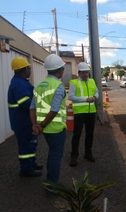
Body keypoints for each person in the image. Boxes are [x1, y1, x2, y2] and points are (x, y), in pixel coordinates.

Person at [30, 54, 66, 185]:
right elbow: (55, 109)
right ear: (60, 69)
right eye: (63, 68)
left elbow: (32, 108)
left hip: (43, 128)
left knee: (52, 153)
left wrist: (35, 125)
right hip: (55, 128)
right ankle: (52, 184)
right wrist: (42, 126)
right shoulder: (58, 85)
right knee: (55, 155)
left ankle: (50, 181)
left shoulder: (38, 86)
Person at [7, 57, 43, 177]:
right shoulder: (19, 84)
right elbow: (26, 104)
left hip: (23, 121)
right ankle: (26, 169)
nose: (30, 70)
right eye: (28, 68)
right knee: (26, 145)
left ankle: (31, 163)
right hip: (22, 122)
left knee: (31, 143)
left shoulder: (20, 82)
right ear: (23, 69)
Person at [68, 62, 99, 166]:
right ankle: (74, 156)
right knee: (77, 135)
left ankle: (88, 153)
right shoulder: (74, 83)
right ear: (79, 73)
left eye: (87, 72)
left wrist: (95, 97)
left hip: (91, 112)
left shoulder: (92, 81)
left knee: (90, 134)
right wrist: (86, 99)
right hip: (80, 112)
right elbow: (71, 97)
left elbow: (97, 92)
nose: (86, 74)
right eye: (83, 73)